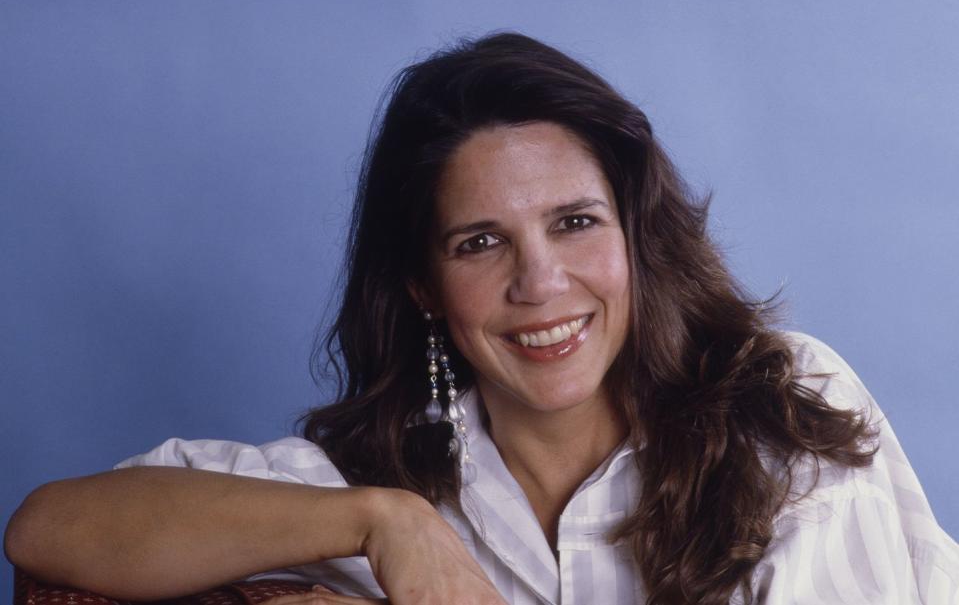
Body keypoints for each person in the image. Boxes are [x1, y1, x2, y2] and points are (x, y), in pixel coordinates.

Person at [5, 32, 959, 605]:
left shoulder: (781, 407)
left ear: (636, 235)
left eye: (575, 223)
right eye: (478, 243)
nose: (538, 283)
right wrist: (384, 522)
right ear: (421, 285)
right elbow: (50, 528)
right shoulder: (387, 479)